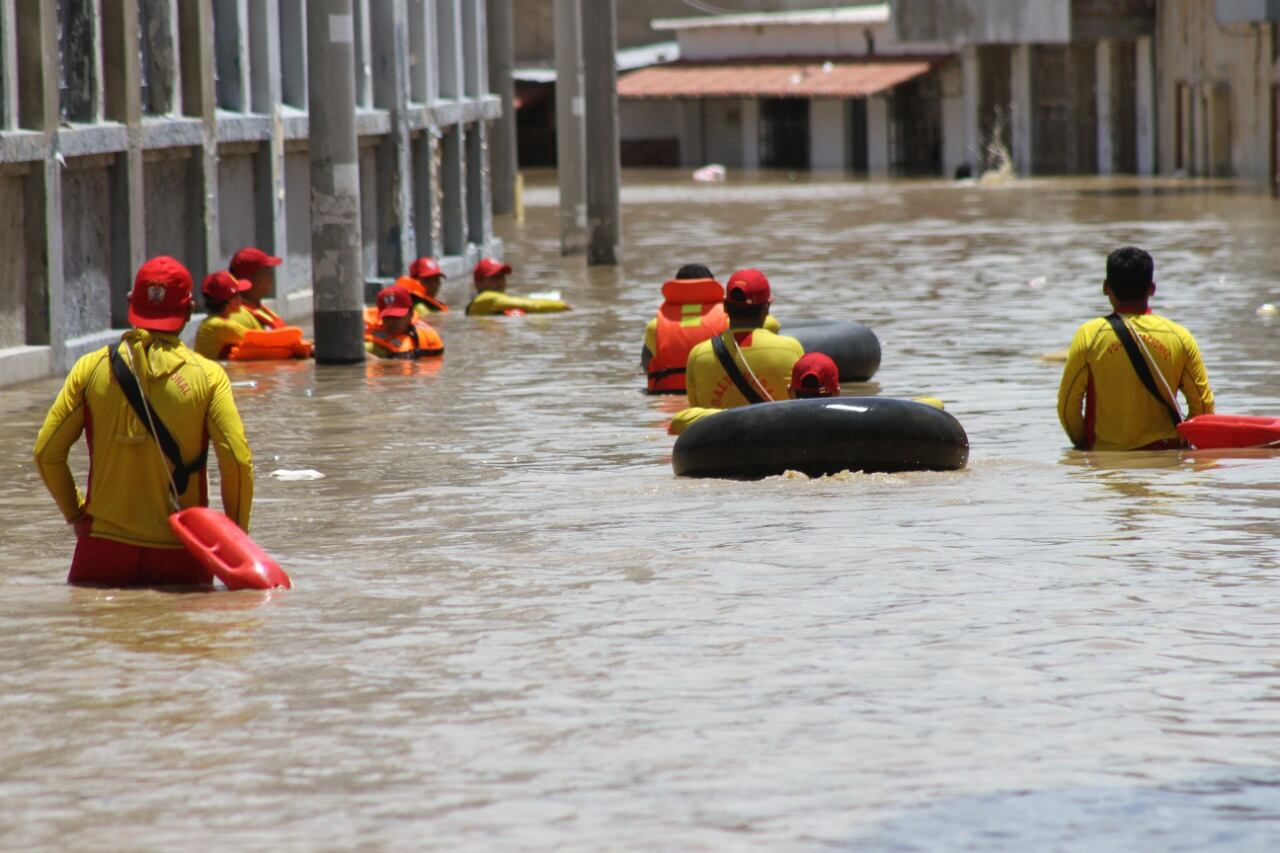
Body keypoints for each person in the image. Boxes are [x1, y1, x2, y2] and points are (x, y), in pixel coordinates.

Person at [33, 256, 254, 587]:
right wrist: (235, 545)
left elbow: (46, 453)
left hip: (101, 550)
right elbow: (236, 463)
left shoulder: (89, 368)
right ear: (190, 309)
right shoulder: (208, 376)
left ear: (129, 303)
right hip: (183, 550)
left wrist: (77, 514)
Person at [1058, 246, 1214, 451]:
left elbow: (1068, 408)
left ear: (1106, 287)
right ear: (1152, 288)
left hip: (1106, 464)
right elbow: (1203, 407)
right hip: (1168, 469)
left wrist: (1085, 448)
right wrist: (1184, 444)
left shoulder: (1090, 335)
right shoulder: (1179, 337)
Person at [642, 264, 783, 394]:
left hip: (665, 401)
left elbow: (646, 368)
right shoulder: (729, 320)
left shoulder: (655, 327)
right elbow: (772, 326)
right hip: (713, 398)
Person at [684, 268, 804, 410]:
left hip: (720, 432)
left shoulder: (698, 355)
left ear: (725, 306)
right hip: (774, 431)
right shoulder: (791, 348)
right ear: (767, 307)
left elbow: (695, 412)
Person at [669, 349, 838, 436]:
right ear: (837, 393)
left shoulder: (766, 422)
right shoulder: (850, 423)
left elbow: (678, 422)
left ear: (790, 392)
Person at [465, 257, 571, 316]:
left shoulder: (497, 301)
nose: (500, 282)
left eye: (502, 277)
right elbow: (531, 305)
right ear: (478, 283)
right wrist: (562, 305)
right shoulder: (486, 298)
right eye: (494, 278)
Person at [365, 284, 445, 359]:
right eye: (387, 317)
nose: (392, 322)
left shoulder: (427, 336)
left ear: (410, 313)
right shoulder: (372, 345)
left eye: (397, 316)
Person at [194, 270, 250, 360]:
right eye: (238, 294)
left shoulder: (210, 322)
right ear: (229, 300)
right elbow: (258, 339)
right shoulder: (221, 326)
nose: (241, 298)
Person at [228, 246, 287, 330]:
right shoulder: (237, 317)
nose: (272, 275)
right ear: (258, 280)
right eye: (269, 271)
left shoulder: (257, 308)